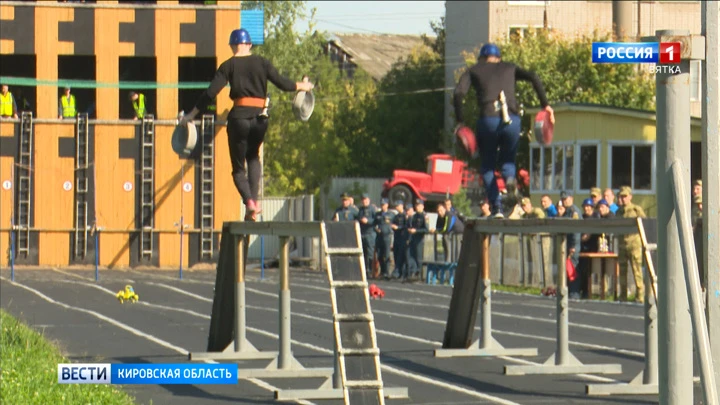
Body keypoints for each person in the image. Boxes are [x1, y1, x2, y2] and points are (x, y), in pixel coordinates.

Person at [180, 28, 314, 221]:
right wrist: (303, 86)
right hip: (261, 118)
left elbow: (210, 93)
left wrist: (191, 115)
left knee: (238, 169)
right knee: (253, 158)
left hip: (239, 119)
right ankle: (255, 203)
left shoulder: (228, 65)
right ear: (249, 44)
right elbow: (283, 84)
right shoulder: (262, 62)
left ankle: (250, 203)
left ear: (232, 46)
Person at [452, 43, 554, 218]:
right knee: (508, 161)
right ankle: (509, 181)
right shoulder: (510, 67)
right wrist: (546, 105)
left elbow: (458, 94)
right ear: (499, 58)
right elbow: (534, 77)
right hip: (512, 122)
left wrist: (461, 121)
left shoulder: (474, 70)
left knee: (488, 166)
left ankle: (497, 207)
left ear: (482, 58)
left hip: (488, 120)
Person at [616, 186, 646, 303]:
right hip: (622, 244)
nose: (623, 199)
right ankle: (623, 295)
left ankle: (640, 296)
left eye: (625, 196)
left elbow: (644, 224)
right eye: (621, 196)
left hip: (634, 244)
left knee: (637, 270)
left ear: (630, 196)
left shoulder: (636, 209)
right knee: (622, 271)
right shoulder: (618, 211)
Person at [374, 198, 394, 280]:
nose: (383, 206)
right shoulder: (378, 214)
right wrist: (376, 229)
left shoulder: (391, 214)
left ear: (387, 205)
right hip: (379, 236)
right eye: (382, 205)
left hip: (387, 236)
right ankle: (382, 271)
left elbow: (394, 224)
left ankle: (387, 272)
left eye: (384, 204)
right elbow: (374, 224)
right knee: (379, 255)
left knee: (386, 255)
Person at [390, 200, 408, 279]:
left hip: (402, 237)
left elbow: (406, 226)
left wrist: (398, 228)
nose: (397, 207)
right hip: (396, 237)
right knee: (396, 254)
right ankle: (397, 272)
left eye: (398, 206)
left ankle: (399, 272)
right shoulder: (396, 216)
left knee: (401, 256)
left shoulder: (405, 216)